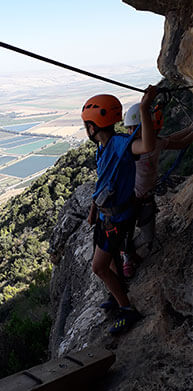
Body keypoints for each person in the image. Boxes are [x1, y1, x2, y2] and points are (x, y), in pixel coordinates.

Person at [83, 86, 157, 334]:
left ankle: (127, 309)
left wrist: (145, 109)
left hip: (119, 217)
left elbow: (146, 145)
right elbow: (103, 180)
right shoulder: (102, 149)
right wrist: (94, 207)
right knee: (110, 260)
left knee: (99, 267)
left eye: (87, 125)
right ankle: (117, 295)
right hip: (106, 215)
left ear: (92, 127)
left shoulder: (122, 144)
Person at [123, 102, 193, 260]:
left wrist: (190, 129)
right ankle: (126, 253)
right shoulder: (132, 146)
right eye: (130, 129)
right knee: (126, 234)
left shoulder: (153, 142)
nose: (130, 132)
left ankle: (127, 251)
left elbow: (171, 139)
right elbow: (179, 142)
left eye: (133, 128)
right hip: (130, 200)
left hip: (144, 198)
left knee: (147, 237)